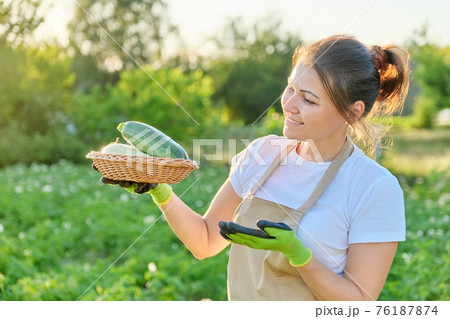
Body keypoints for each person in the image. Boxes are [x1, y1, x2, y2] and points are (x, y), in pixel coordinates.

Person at [96, 34, 410, 301]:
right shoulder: (262, 153)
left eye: (308, 100)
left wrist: (299, 255)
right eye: (290, 88)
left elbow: (360, 303)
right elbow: (205, 241)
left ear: (352, 113)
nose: (288, 104)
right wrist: (160, 190)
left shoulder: (373, 187)